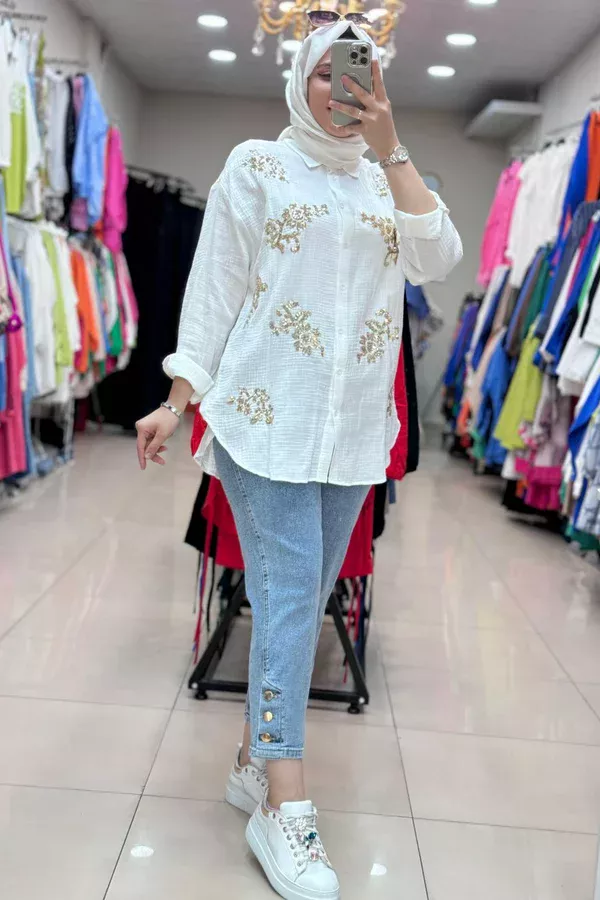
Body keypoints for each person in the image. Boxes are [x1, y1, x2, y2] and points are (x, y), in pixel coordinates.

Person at [135, 19, 462, 900]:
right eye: (327, 73)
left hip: (352, 435)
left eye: (361, 75)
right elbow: (214, 291)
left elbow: (438, 258)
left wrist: (394, 151)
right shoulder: (258, 167)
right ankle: (284, 806)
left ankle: (252, 759)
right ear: (300, 81)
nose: (343, 90)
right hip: (263, 421)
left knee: (305, 600)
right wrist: (177, 400)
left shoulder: (388, 181)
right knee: (285, 606)